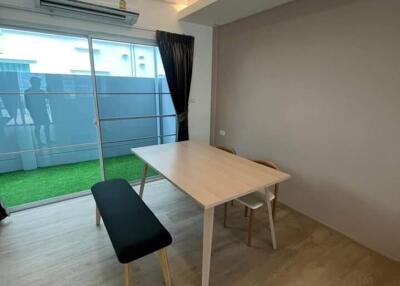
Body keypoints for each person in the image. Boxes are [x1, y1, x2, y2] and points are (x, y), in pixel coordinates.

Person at [25, 77, 51, 146]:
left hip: (43, 111)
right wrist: (32, 112)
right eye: (38, 82)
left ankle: (48, 139)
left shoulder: (41, 91)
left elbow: (48, 97)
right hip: (35, 112)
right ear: (33, 83)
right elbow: (27, 104)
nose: (39, 84)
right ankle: (39, 141)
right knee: (38, 126)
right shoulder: (28, 92)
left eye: (39, 83)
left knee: (47, 125)